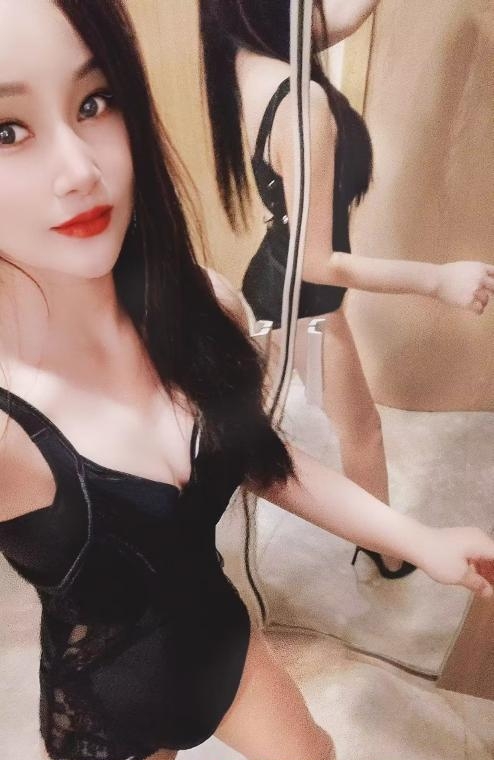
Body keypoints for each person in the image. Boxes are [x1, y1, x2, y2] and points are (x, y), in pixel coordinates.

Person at [1, 3, 493, 760]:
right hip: (105, 711)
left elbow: (261, 459)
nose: (80, 171)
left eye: (95, 102)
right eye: (7, 131)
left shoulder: (202, 303)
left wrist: (417, 539)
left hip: (226, 651)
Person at [199, 0, 494, 577]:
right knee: (360, 428)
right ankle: (388, 550)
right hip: (301, 301)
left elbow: (341, 17)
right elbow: (318, 264)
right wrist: (439, 280)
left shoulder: (241, 51)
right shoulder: (302, 104)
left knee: (260, 407)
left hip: (276, 283)